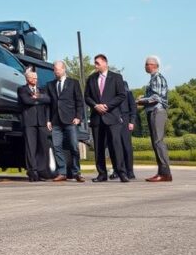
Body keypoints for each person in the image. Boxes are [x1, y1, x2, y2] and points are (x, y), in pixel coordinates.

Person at [84, 54, 129, 182]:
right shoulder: (91, 79)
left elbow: (121, 95)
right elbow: (86, 96)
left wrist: (107, 106)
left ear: (105, 63)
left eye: (97, 63)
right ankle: (102, 174)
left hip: (112, 117)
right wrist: (95, 106)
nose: (95, 65)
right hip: (97, 118)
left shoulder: (116, 77)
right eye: (95, 63)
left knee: (116, 145)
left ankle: (121, 172)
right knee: (98, 148)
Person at [46, 60, 85, 182]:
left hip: (70, 121)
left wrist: (78, 117)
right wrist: (48, 120)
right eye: (55, 70)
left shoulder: (73, 83)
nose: (56, 72)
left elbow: (79, 101)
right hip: (56, 122)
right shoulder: (50, 85)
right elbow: (48, 105)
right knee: (57, 147)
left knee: (73, 146)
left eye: (58, 69)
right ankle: (62, 172)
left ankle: (76, 172)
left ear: (64, 69)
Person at [137, 55, 172, 182]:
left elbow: (156, 97)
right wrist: (145, 97)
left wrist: (140, 101)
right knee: (155, 142)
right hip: (153, 111)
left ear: (154, 65)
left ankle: (165, 173)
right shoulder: (153, 79)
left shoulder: (157, 78)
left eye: (147, 64)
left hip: (157, 111)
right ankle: (161, 172)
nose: (145, 66)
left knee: (158, 141)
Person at [17, 66, 51, 182]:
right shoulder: (22, 89)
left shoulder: (42, 90)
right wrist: (38, 100)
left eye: (36, 78)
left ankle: (41, 171)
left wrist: (38, 97)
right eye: (33, 78)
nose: (35, 79)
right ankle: (33, 171)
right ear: (27, 79)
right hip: (29, 122)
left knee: (43, 147)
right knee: (31, 148)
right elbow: (26, 101)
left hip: (41, 122)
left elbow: (48, 100)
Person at [111, 79, 137, 180]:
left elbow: (133, 107)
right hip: (114, 119)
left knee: (127, 147)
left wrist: (132, 121)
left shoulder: (127, 92)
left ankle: (130, 171)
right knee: (115, 147)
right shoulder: (111, 92)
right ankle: (117, 170)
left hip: (126, 119)